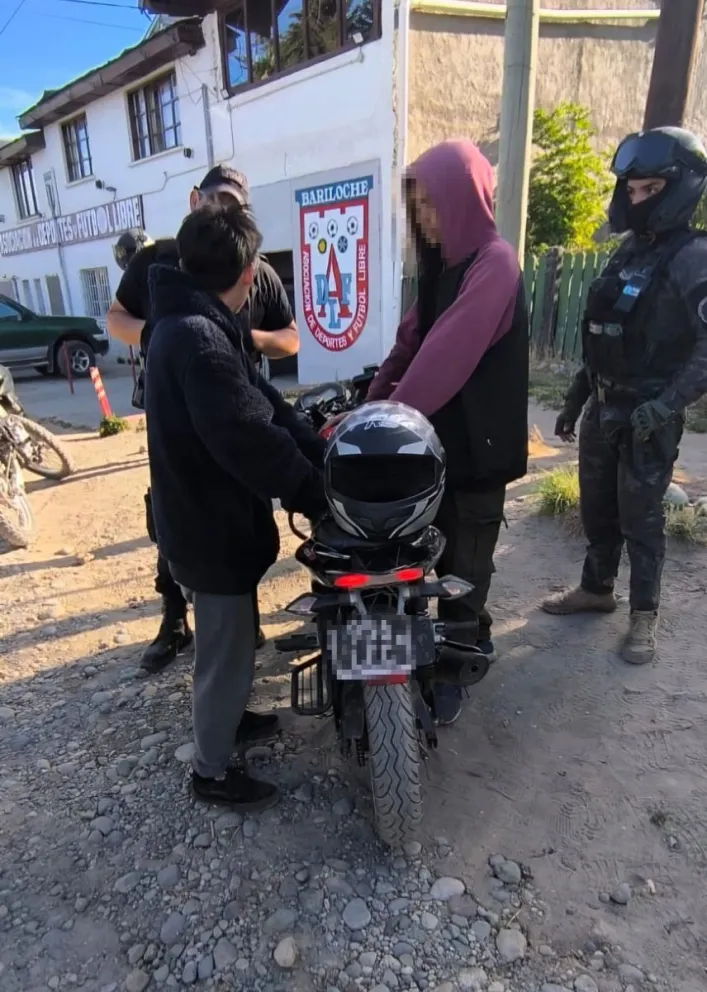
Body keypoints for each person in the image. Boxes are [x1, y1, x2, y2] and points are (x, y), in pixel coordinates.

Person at [145, 200, 327, 809]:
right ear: (248, 275)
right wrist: (315, 494)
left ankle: (229, 720)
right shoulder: (199, 340)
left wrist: (315, 445)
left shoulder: (194, 323)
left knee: (235, 639)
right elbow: (250, 439)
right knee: (222, 653)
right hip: (208, 529)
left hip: (205, 520)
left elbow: (263, 403)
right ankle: (211, 771)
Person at [107, 165, 298, 673]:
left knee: (240, 521)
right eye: (214, 199)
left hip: (235, 401)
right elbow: (115, 318)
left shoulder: (254, 268)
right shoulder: (159, 261)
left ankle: (238, 622)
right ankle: (175, 619)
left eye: (233, 204)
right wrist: (163, 332)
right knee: (183, 514)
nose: (221, 210)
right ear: (195, 199)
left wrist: (244, 337)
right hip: (176, 404)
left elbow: (289, 339)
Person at [366, 139, 529, 724]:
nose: (425, 219)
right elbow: (407, 346)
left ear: (463, 197)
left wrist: (388, 418)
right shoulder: (440, 269)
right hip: (433, 446)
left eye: (432, 204)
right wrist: (368, 407)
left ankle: (459, 663)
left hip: (479, 450)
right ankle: (447, 640)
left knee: (465, 569)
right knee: (427, 555)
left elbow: (444, 355)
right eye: (417, 208)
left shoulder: (495, 263)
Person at [542, 127, 707, 665]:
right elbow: (602, 335)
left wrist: (668, 405)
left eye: (650, 189)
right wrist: (576, 399)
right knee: (598, 508)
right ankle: (596, 589)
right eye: (631, 190)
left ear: (680, 188)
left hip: (648, 415)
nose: (637, 200)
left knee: (642, 519)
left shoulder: (693, 257)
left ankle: (644, 616)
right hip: (603, 405)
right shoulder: (627, 252)